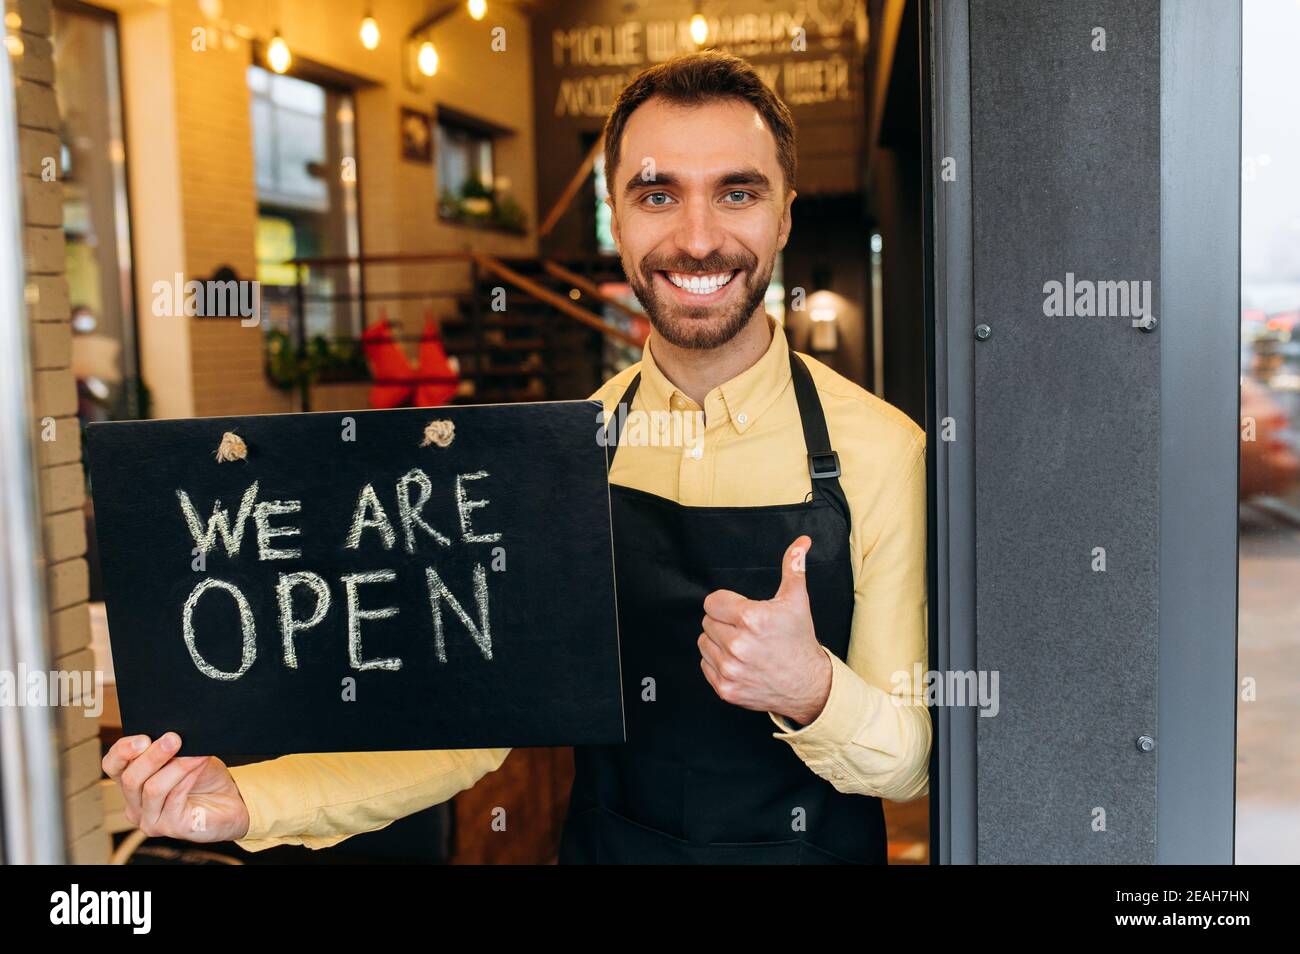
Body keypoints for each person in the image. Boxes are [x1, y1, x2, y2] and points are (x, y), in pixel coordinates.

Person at [102, 50, 930, 865]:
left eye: (737, 192)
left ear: (784, 214)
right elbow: (463, 735)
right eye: (657, 194)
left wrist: (812, 690)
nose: (698, 237)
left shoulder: (882, 451)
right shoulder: (552, 457)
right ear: (616, 210)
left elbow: (908, 760)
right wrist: (249, 801)